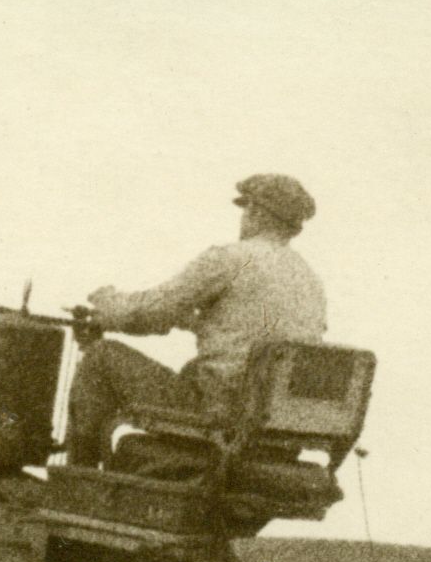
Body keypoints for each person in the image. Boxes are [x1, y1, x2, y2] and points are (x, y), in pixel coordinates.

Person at [65, 174, 327, 468]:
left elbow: (145, 311)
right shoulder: (308, 279)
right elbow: (254, 336)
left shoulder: (231, 259)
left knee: (102, 357)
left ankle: (74, 483)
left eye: (246, 209)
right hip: (270, 427)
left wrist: (107, 304)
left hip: (222, 416)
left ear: (255, 211)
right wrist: (194, 323)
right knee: (193, 370)